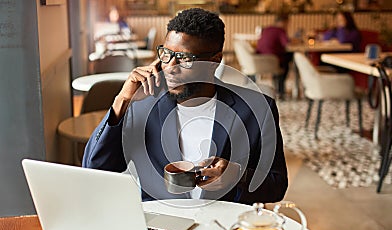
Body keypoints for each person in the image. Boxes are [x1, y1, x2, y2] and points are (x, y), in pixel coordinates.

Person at [83, 8, 288, 204]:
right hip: (161, 226)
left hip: (222, 228)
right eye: (166, 55)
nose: (170, 68)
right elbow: (95, 168)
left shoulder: (257, 109)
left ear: (214, 61)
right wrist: (122, 101)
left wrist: (238, 175)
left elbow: (277, 186)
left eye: (184, 59)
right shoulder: (141, 107)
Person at [256, 13, 292, 100]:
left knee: (283, 59)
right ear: (283, 22)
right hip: (273, 60)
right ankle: (281, 89)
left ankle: (277, 84)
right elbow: (287, 44)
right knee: (289, 57)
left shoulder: (267, 29)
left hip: (259, 59)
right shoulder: (280, 30)